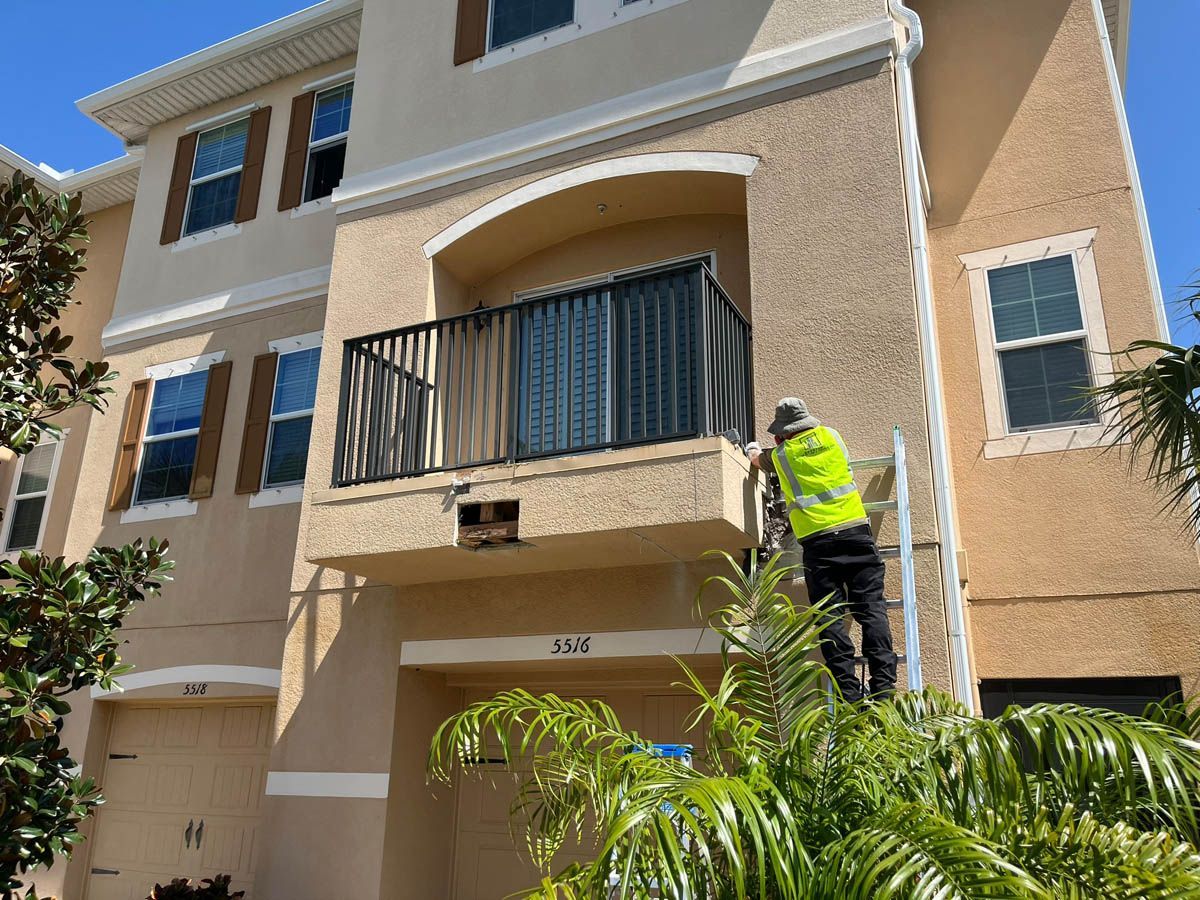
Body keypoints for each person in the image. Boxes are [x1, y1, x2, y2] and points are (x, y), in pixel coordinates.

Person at [746, 397, 896, 701]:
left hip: (819, 543)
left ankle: (850, 697)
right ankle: (883, 691)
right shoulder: (832, 436)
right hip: (856, 532)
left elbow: (756, 461)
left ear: (782, 433)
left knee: (830, 618)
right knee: (872, 610)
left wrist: (751, 448)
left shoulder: (783, 454)